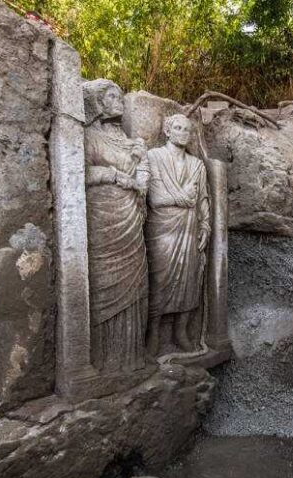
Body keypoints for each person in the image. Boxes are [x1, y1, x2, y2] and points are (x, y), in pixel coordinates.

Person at [83, 79, 150, 373]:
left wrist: (141, 168)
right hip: (104, 216)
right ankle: (104, 359)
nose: (118, 101)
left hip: (132, 216)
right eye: (112, 96)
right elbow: (82, 172)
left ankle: (130, 356)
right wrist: (113, 175)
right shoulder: (89, 137)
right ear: (98, 102)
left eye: (121, 96)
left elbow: (143, 176)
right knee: (105, 282)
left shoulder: (130, 141)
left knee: (134, 281)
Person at [144, 114, 211, 355]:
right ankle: (153, 332)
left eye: (187, 129)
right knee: (159, 279)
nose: (183, 132)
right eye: (178, 128)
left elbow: (202, 198)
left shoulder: (197, 165)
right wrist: (183, 198)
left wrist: (206, 226)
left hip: (190, 228)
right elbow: (156, 198)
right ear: (168, 131)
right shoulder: (154, 157)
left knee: (189, 279)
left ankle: (180, 331)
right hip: (162, 229)